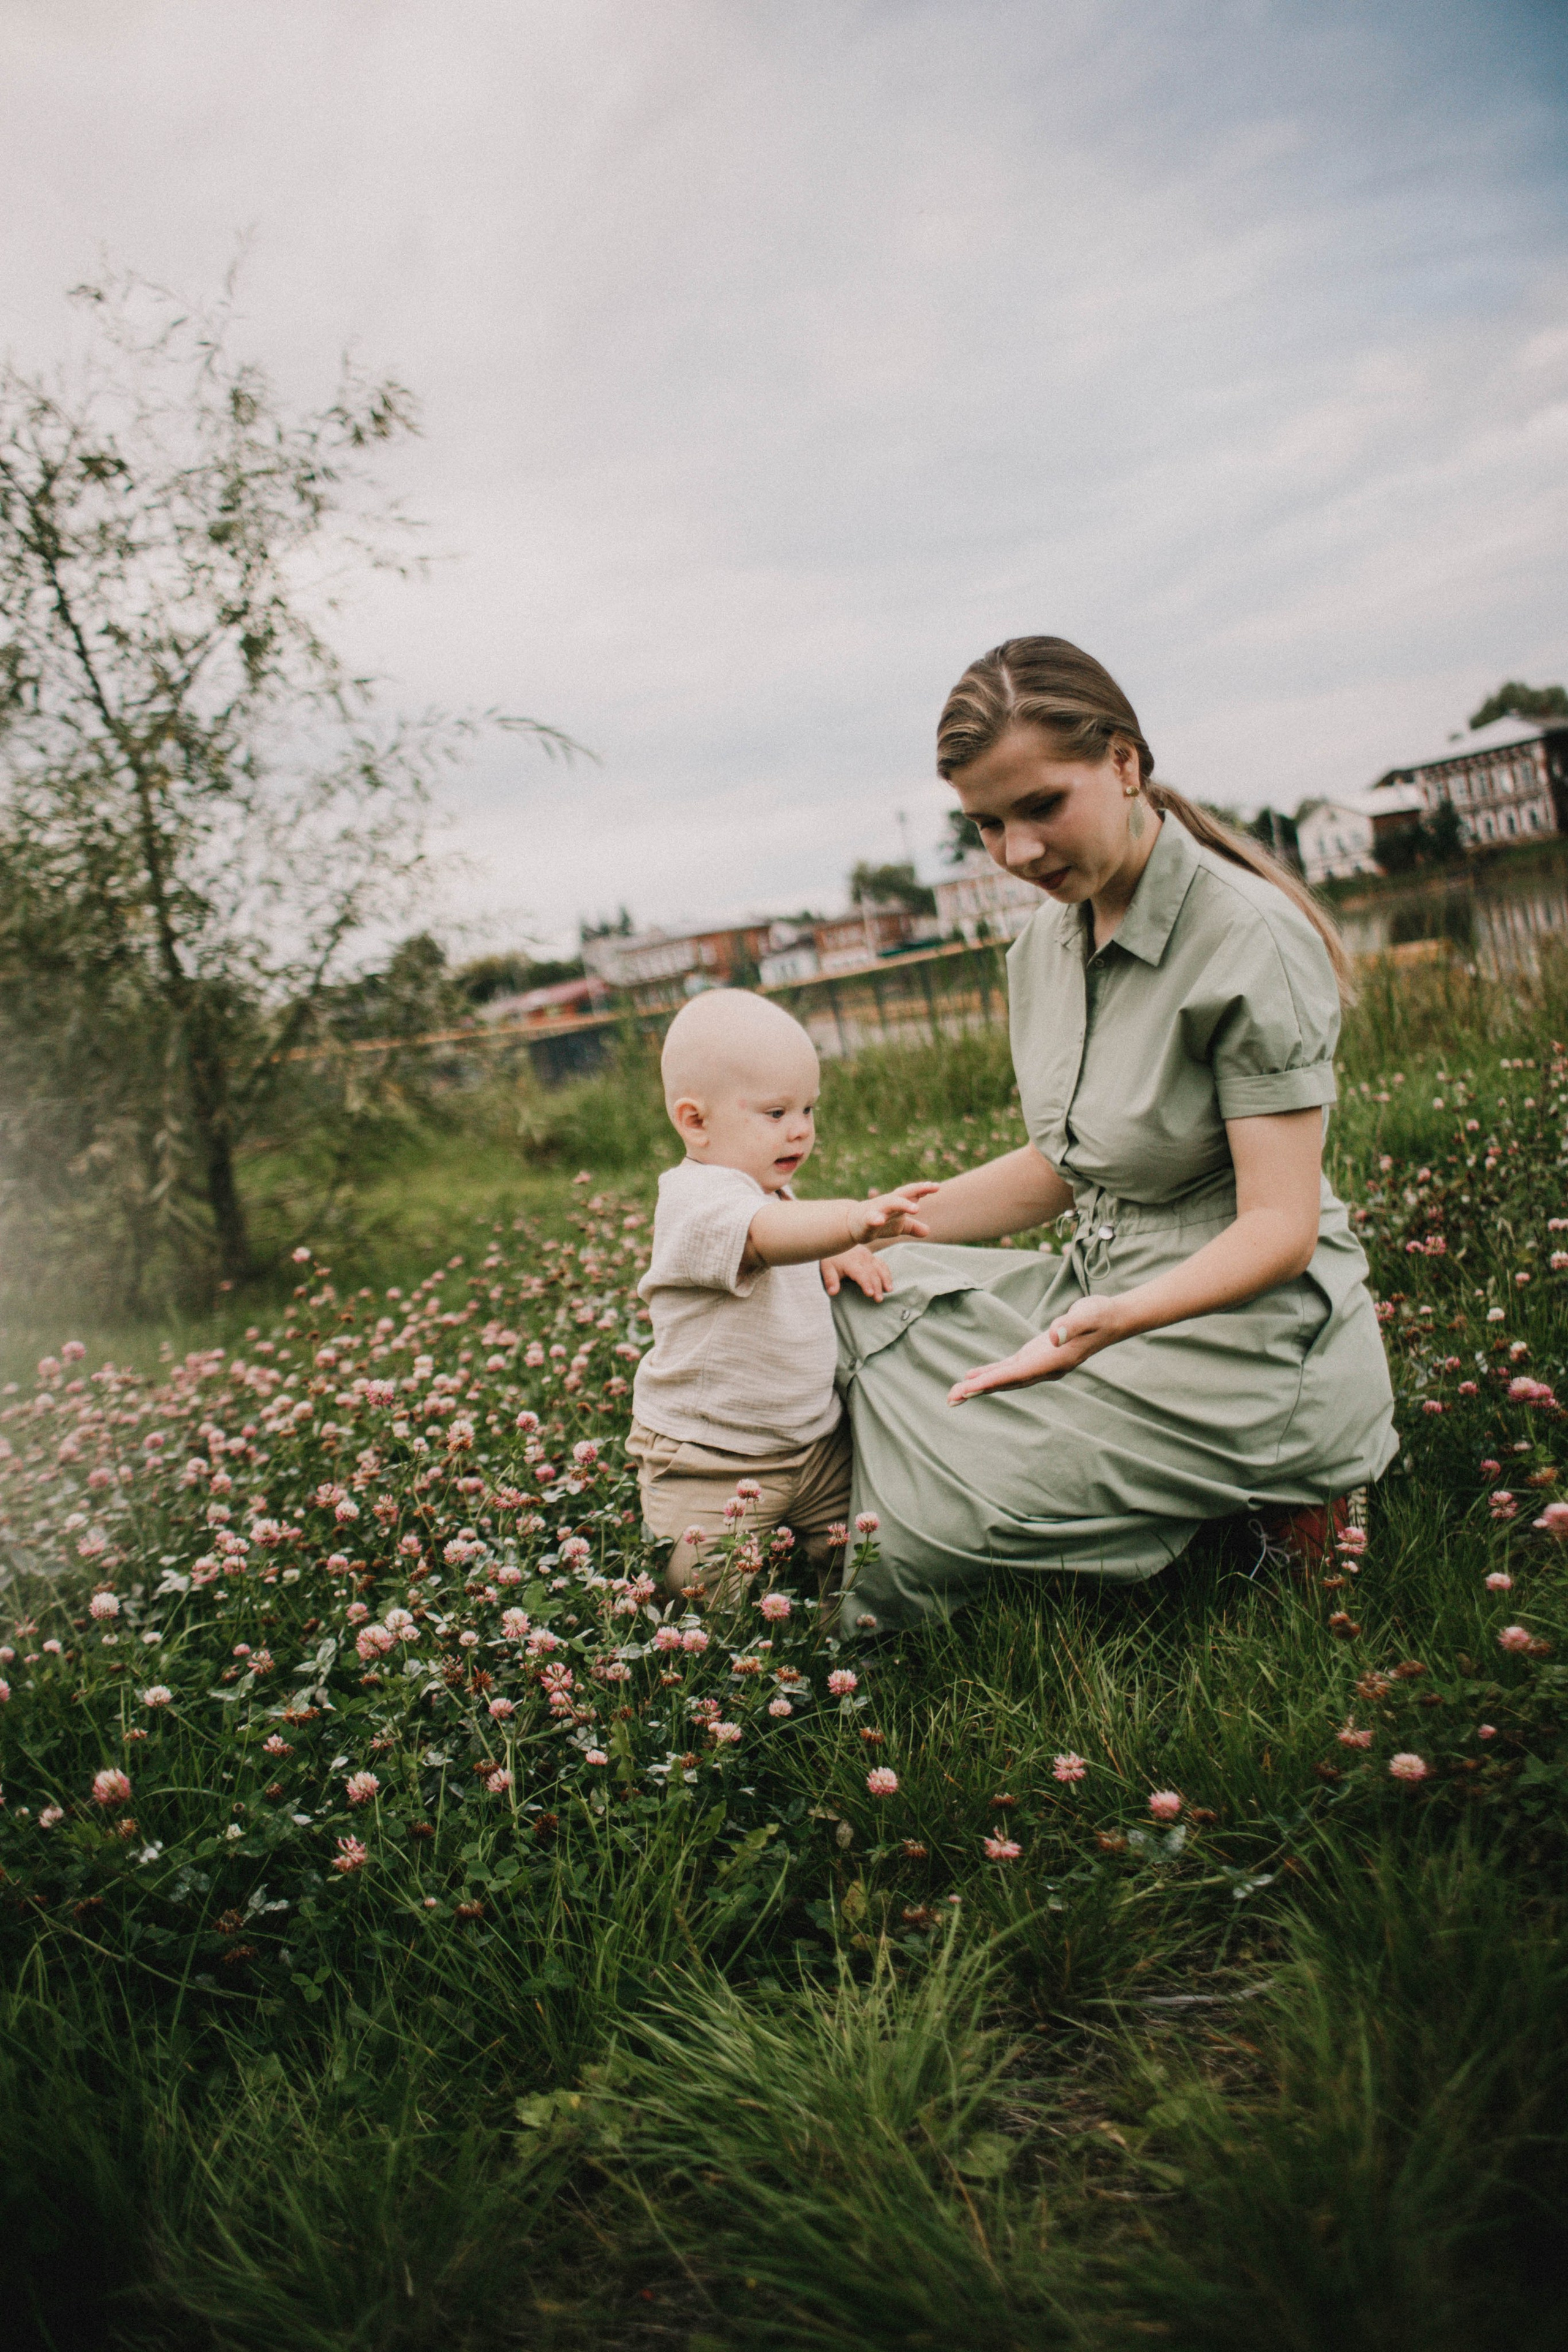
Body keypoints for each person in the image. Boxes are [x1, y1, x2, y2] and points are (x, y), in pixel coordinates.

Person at [832, 636, 1398, 1632]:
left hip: (1239, 1331)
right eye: (987, 825)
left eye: (1042, 806)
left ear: (1126, 763)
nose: (1016, 853)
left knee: (932, 1519)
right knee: (843, 1301)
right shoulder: (1042, 943)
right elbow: (1064, 1164)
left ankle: (1283, 1488)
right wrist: (869, 1229)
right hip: (1098, 1289)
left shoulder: (1245, 937)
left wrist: (1117, 1321)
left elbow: (1281, 1229)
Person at [627, 987, 935, 1596]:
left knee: (858, 1569)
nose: (799, 1131)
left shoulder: (770, 1193)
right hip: (710, 1456)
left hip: (815, 1444)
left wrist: (833, 1245)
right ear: (695, 1121)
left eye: (808, 1111)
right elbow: (764, 1238)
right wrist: (850, 1222)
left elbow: (786, 1229)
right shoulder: (696, 1201)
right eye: (776, 1114)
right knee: (695, 1605)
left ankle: (842, 1646)